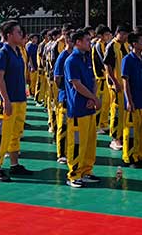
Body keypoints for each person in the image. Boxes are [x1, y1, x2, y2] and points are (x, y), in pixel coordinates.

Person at [0, 20, 33, 182]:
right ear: (9, 35)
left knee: (15, 133)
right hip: (7, 100)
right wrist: (5, 100)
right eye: (18, 32)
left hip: (20, 99)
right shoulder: (3, 53)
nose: (21, 35)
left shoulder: (18, 52)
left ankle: (14, 164)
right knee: (1, 134)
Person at [64, 29, 101, 187]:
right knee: (78, 143)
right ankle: (74, 174)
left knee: (89, 142)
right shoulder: (71, 60)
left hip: (89, 107)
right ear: (78, 42)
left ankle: (86, 170)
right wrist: (92, 98)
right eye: (87, 40)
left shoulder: (87, 58)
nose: (90, 43)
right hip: (78, 108)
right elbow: (76, 84)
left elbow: (92, 80)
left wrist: (92, 97)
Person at [121, 31, 142, 168]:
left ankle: (140, 155)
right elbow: (125, 81)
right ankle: (129, 157)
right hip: (133, 102)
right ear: (134, 44)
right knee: (131, 131)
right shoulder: (128, 60)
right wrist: (129, 100)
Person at [104, 25, 131, 151]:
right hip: (116, 85)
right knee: (116, 111)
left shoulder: (125, 46)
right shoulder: (111, 46)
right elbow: (108, 66)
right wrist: (115, 82)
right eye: (124, 34)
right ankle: (115, 138)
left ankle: (122, 135)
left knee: (124, 111)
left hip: (124, 83)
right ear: (118, 33)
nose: (126, 37)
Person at [53, 29, 73, 164]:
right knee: (63, 125)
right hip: (65, 97)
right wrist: (64, 89)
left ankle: (70, 150)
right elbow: (57, 78)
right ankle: (61, 153)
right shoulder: (63, 56)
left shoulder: (78, 56)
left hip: (74, 98)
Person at [91, 25, 112, 133]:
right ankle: (96, 124)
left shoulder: (104, 44)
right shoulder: (98, 45)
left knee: (106, 103)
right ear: (101, 36)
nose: (109, 36)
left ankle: (103, 123)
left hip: (105, 78)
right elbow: (104, 60)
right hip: (100, 78)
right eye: (106, 34)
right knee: (99, 102)